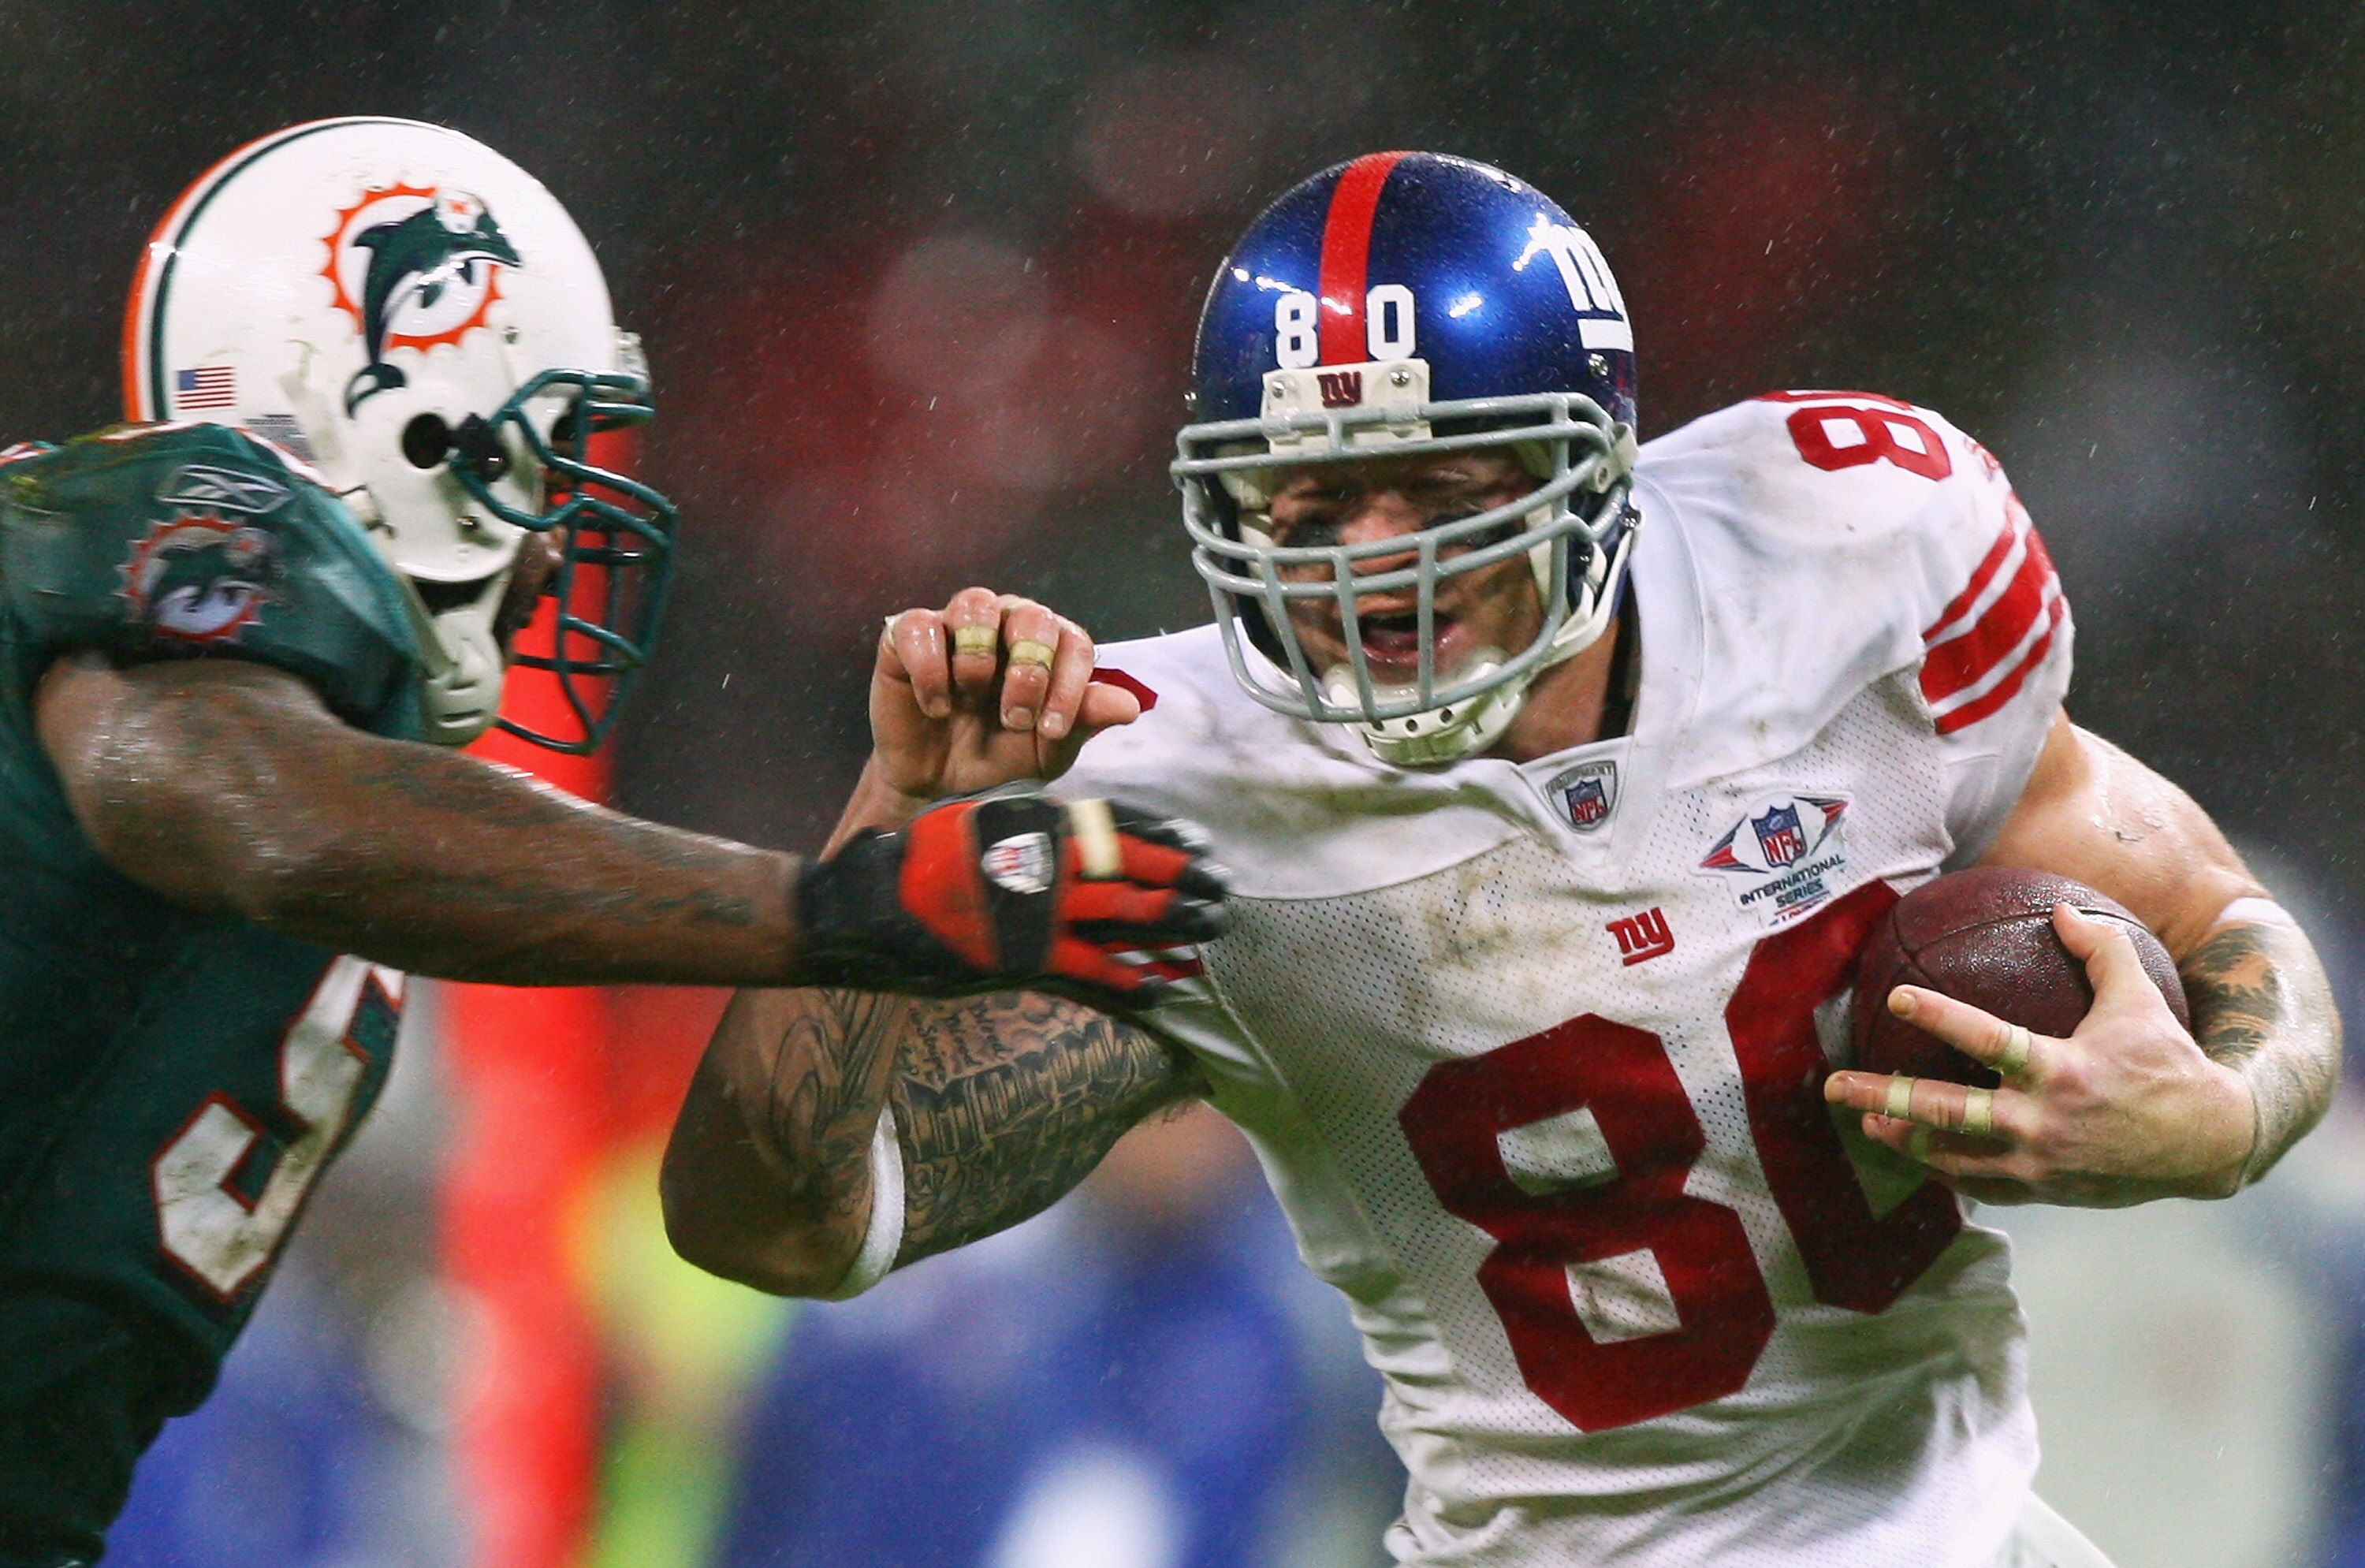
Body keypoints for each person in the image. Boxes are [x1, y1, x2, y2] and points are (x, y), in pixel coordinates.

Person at [661, 151, 2341, 1566]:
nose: (1371, 565)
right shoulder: (1178, 797)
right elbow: (780, 1223)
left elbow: (2214, 918)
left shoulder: (1841, 553)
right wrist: (893, 834)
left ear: (1589, 468)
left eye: (1431, 489)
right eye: (1309, 505)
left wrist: (2228, 1110)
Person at [0, 117, 1223, 1567]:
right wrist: (832, 907)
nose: (551, 545)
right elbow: (229, 792)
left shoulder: (343, 783)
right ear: (397, 418)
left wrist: (876, 858)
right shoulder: (180, 548)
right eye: (534, 457)